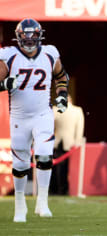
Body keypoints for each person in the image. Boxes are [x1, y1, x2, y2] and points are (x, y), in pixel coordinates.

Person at [0, 18, 69, 222]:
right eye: (25, 36)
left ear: (40, 36)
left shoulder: (49, 53)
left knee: (45, 155)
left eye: (33, 36)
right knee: (20, 164)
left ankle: (42, 202)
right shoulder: (9, 56)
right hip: (19, 116)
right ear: (18, 36)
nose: (29, 40)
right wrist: (5, 84)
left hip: (42, 114)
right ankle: (20, 205)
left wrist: (63, 95)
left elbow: (61, 76)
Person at [50, 95, 84, 195]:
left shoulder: (56, 110)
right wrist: (77, 141)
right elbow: (80, 128)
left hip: (57, 142)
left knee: (55, 167)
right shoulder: (77, 111)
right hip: (69, 143)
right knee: (63, 168)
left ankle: (55, 189)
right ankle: (62, 189)